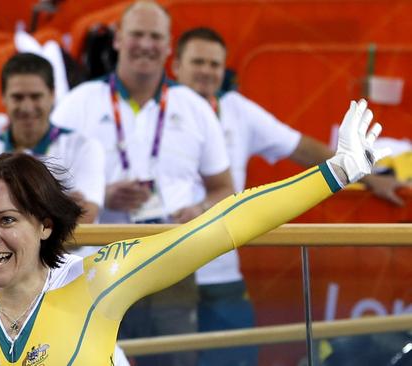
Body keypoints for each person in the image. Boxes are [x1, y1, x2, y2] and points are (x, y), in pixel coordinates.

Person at [0, 0, 389, 364]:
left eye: (6, 219)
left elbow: (223, 226)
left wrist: (333, 174)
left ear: (44, 225)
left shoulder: (100, 286)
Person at [172, 26, 408, 366]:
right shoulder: (152, 108)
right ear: (175, 65)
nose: (207, 71)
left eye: (215, 64)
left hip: (221, 268)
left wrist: (369, 177)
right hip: (163, 265)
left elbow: (299, 147)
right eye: (198, 62)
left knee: (236, 358)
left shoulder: (236, 108)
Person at [51, 1, 234, 364]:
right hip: (96, 267)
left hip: (171, 265)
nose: (145, 44)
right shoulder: (78, 103)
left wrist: (197, 210)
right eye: (137, 34)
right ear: (118, 39)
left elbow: (224, 188)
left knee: (174, 360)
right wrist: (100, 197)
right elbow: (42, 191)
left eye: (155, 37)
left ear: (169, 46)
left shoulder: (193, 107)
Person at [0, 52, 105, 224]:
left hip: (68, 252)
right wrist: (59, 206)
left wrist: (3, 213)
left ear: (52, 95)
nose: (27, 107)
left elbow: (85, 219)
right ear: (3, 97)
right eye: (18, 97)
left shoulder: (84, 148)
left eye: (35, 97)